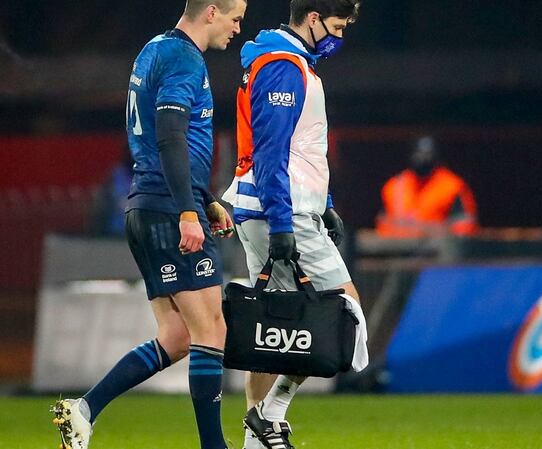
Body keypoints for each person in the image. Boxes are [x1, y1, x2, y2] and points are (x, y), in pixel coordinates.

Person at [51, 1, 247, 449]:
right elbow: (170, 135)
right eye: (235, 17)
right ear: (211, 11)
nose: (238, 27)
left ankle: (84, 411)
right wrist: (187, 210)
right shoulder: (184, 58)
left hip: (148, 206)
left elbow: (159, 140)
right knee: (211, 330)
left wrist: (204, 200)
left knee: (177, 337)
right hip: (167, 211)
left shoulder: (154, 49)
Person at [221, 1, 360, 447]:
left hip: (274, 209)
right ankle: (269, 414)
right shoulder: (284, 66)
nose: (340, 37)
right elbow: (271, 152)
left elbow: (301, 147)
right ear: (313, 18)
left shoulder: (291, 62)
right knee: (342, 313)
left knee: (272, 327)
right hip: (280, 212)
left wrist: (326, 203)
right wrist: (283, 223)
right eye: (337, 26)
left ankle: (254, 440)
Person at [376, 135, 478, 238]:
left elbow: (466, 226)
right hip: (401, 245)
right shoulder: (395, 186)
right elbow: (382, 224)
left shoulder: (451, 186)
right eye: (419, 154)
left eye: (427, 155)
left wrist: (430, 230)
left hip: (439, 245)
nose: (423, 159)